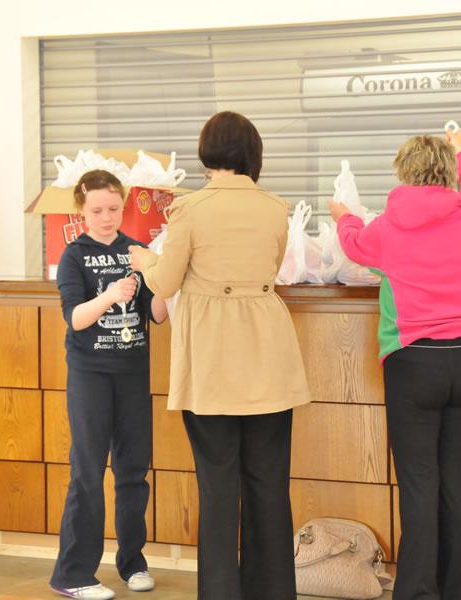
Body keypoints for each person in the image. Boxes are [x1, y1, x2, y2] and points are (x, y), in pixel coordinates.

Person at [129, 111, 311, 600]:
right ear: (253, 152)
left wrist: (146, 260)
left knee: (218, 487)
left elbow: (165, 282)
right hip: (269, 354)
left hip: (211, 359)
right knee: (269, 485)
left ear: (207, 152)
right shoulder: (275, 208)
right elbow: (271, 268)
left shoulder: (190, 209)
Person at [329, 129, 461, 600]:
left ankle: (419, 593)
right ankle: (459, 592)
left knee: (419, 483)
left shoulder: (388, 228)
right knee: (458, 482)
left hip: (414, 362)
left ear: (403, 172)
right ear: (448, 172)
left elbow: (354, 244)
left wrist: (343, 218)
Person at [49, 169, 168, 600]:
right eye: (97, 210)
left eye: (114, 209)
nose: (106, 218)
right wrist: (110, 295)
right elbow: (75, 318)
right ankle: (73, 574)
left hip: (133, 372)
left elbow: (157, 314)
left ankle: (133, 563)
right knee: (87, 472)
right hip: (90, 375)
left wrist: (164, 277)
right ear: (81, 211)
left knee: (133, 471)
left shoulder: (136, 251)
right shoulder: (73, 256)